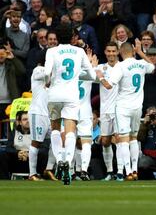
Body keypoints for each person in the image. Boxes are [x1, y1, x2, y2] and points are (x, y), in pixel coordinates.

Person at [45, 25, 96, 185]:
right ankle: (67, 160)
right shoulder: (79, 52)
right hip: (71, 96)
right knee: (70, 130)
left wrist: (48, 81)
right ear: (72, 37)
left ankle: (60, 159)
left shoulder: (51, 51)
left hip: (54, 94)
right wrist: (81, 75)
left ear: (57, 37)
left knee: (55, 128)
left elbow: (47, 72)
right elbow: (92, 74)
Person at [96, 42, 154, 181]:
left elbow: (109, 85)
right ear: (133, 51)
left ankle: (127, 171)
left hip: (123, 108)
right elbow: (152, 67)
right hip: (137, 107)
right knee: (133, 138)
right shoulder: (141, 64)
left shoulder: (120, 66)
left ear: (120, 53)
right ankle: (135, 171)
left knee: (123, 140)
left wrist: (100, 76)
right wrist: (140, 52)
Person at [95, 42, 119, 181]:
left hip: (118, 109)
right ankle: (110, 172)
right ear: (105, 52)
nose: (111, 54)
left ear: (118, 52)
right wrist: (91, 65)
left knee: (120, 140)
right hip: (104, 110)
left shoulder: (122, 67)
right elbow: (88, 76)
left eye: (113, 51)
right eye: (108, 51)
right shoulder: (100, 68)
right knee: (105, 141)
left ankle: (122, 171)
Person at [27, 50, 51, 181]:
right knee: (36, 142)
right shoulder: (38, 70)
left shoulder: (50, 74)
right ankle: (32, 174)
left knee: (57, 140)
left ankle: (49, 169)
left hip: (49, 114)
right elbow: (47, 73)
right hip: (38, 113)